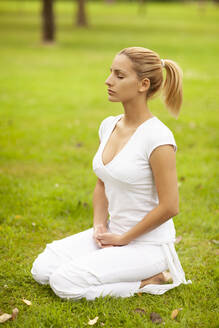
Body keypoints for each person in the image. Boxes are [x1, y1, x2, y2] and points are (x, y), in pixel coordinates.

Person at [31, 46, 191, 301]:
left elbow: (170, 206)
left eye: (119, 75)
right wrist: (99, 226)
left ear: (143, 84)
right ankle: (108, 262)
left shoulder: (158, 138)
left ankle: (148, 280)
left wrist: (122, 239)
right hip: (112, 232)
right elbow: (101, 184)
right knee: (42, 270)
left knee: (64, 283)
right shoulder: (109, 125)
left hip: (147, 246)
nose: (108, 81)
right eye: (110, 73)